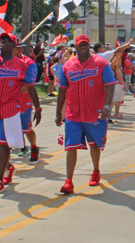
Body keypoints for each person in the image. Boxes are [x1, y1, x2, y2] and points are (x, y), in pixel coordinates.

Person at [0, 9, 42, 194]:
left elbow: (30, 87)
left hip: (9, 108)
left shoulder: (23, 65)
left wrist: (38, 108)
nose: (2, 42)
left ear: (14, 46)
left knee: (3, 143)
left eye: (7, 41)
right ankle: (8, 167)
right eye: (1, 40)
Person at [55, 34, 116, 194]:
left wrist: (107, 107)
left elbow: (110, 85)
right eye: (80, 45)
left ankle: (95, 170)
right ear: (75, 47)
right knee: (70, 146)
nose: (83, 47)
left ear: (89, 46)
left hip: (94, 113)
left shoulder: (100, 63)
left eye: (85, 44)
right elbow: (62, 90)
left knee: (94, 144)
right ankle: (68, 181)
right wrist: (58, 113)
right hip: (73, 114)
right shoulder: (68, 66)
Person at [13, 39, 40, 163]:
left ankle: (34, 148)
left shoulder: (29, 63)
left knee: (26, 128)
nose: (20, 50)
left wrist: (11, 93)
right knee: (8, 128)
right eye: (17, 48)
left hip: (24, 102)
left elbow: (28, 86)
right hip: (9, 102)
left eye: (21, 47)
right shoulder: (4, 61)